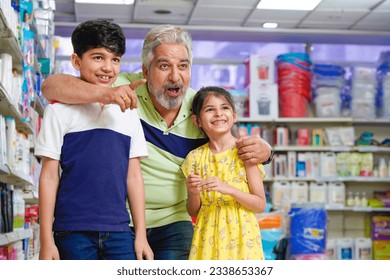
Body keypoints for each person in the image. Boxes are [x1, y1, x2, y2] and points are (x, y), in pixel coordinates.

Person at [41, 24, 273, 260]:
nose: (175, 76)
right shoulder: (123, 88)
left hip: (175, 220)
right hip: (123, 221)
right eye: (164, 66)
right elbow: (51, 87)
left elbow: (230, 141)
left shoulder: (200, 108)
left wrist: (266, 151)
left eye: (183, 66)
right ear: (145, 70)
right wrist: (107, 94)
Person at [35, 19, 153, 260]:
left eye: (115, 59)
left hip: (120, 231)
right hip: (71, 231)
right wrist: (46, 239)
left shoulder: (129, 111)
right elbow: (48, 176)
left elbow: (134, 176)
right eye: (98, 57)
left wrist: (140, 234)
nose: (108, 68)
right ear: (77, 61)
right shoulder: (58, 110)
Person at [181, 86, 266, 260]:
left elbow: (260, 204)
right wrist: (193, 193)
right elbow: (194, 211)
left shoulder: (245, 152)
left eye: (224, 108)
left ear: (234, 116)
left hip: (243, 238)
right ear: (197, 121)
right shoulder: (194, 158)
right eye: (210, 109)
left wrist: (229, 189)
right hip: (207, 239)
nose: (218, 113)